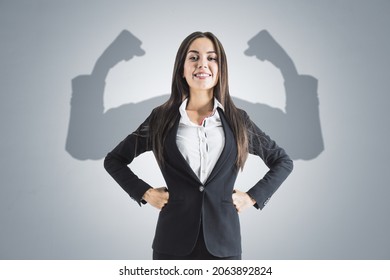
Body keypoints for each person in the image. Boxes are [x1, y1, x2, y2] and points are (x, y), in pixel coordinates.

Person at [104, 31, 293, 260]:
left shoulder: (237, 120)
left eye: (212, 58)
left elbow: (282, 161)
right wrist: (145, 192)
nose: (202, 64)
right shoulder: (161, 118)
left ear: (220, 69)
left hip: (224, 245)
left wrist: (252, 197)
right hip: (171, 245)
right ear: (182, 69)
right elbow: (114, 160)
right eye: (193, 58)